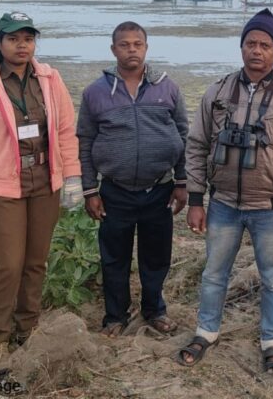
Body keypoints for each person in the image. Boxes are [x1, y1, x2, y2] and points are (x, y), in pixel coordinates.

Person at [177, 9, 273, 373]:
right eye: (251, 43)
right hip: (223, 204)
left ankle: (272, 341)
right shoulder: (218, 92)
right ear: (241, 47)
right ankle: (206, 331)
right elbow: (196, 145)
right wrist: (196, 199)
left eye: (265, 45)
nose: (257, 50)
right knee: (214, 274)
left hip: (272, 208)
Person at [0, 12, 83, 377]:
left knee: (35, 262)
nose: (22, 45)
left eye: (28, 39)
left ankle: (28, 328)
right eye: (13, 39)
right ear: (0, 43)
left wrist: (72, 177)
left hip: (44, 183)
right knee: (8, 265)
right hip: (2, 186)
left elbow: (65, 131)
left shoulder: (50, 79)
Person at [77, 21, 189, 337]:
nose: (132, 50)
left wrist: (182, 182)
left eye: (137, 44)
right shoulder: (96, 93)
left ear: (146, 48)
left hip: (160, 189)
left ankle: (155, 310)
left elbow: (184, 135)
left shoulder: (168, 88)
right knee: (114, 258)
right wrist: (90, 190)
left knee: (156, 257)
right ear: (114, 49)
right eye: (124, 44)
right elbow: (85, 141)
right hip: (115, 190)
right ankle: (115, 316)